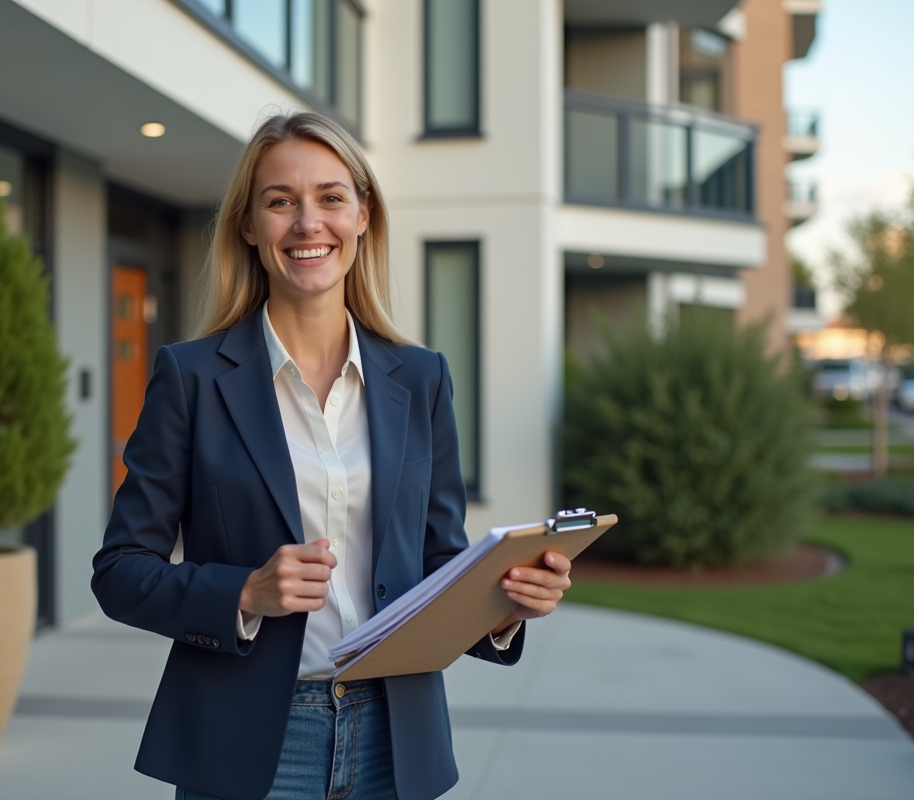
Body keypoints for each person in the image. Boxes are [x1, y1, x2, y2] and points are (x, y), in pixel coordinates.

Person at [91, 111, 573, 800]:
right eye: (280, 201)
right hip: (250, 741)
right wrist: (246, 593)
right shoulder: (190, 378)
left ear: (363, 215)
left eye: (330, 197)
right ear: (250, 228)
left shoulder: (422, 378)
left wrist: (502, 608)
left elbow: (438, 563)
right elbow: (120, 573)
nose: (307, 223)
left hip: (394, 739)